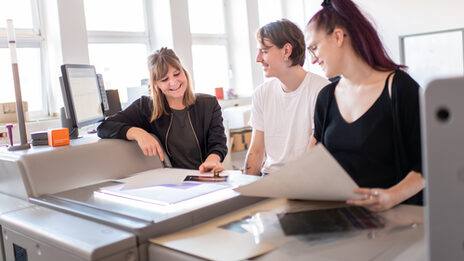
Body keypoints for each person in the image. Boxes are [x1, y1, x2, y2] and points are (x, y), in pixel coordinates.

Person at [306, 0, 424, 211]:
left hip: (396, 223)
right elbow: (316, 161)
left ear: (338, 37)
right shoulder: (326, 97)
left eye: (314, 48)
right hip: (342, 219)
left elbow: (428, 164)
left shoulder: (400, 89)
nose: (313, 60)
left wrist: (391, 196)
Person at [97, 47, 227, 173]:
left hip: (203, 175)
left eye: (177, 74)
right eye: (165, 79)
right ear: (156, 84)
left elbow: (218, 144)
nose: (173, 82)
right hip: (171, 182)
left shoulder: (208, 104)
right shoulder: (146, 107)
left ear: (184, 72)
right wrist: (137, 133)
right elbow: (104, 127)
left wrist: (212, 160)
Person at [244, 19, 330, 175]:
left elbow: (313, 157)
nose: (258, 58)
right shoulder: (261, 93)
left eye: (264, 51)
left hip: (303, 180)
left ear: (286, 51)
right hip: (269, 178)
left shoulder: (322, 91)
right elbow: (256, 151)